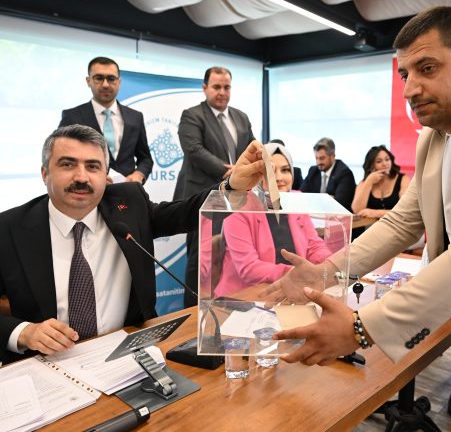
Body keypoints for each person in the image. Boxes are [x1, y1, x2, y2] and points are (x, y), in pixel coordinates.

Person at [267, 6, 451, 432]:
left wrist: (361, 327)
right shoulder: (434, 136)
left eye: (427, 68)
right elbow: (402, 221)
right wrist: (325, 271)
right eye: (405, 74)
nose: (411, 89)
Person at [0, 124, 264, 365]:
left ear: (106, 176)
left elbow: (183, 213)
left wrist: (232, 186)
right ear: (45, 173)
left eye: (93, 167)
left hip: (126, 357)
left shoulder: (129, 204)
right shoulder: (8, 228)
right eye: (68, 165)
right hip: (47, 364)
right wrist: (24, 332)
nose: (81, 177)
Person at [173, 66, 255, 307]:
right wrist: (229, 172)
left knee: (226, 257)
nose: (222, 92)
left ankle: (224, 308)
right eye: (216, 87)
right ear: (204, 87)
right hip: (202, 200)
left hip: (235, 199)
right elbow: (194, 150)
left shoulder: (241, 117)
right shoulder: (192, 115)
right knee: (199, 260)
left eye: (226, 87)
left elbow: (251, 148)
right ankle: (192, 312)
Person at [214, 142, 332, 298]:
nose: (279, 178)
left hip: (291, 290)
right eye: (270, 171)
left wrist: (330, 266)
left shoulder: (296, 200)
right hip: (243, 297)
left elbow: (314, 246)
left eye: (285, 170)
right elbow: (249, 268)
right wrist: (298, 273)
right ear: (256, 175)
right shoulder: (238, 207)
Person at [59, 56, 153, 183]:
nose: (105, 84)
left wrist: (139, 174)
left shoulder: (135, 117)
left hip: (128, 190)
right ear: (88, 81)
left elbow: (146, 159)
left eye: (111, 78)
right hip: (87, 188)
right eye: (99, 78)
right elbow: (62, 159)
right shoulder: (72, 117)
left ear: (119, 82)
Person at [351, 145, 410, 219]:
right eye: (379, 161)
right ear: (371, 166)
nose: (385, 164)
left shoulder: (403, 179)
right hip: (372, 225)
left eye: (387, 159)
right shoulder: (365, 182)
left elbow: (406, 211)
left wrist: (375, 213)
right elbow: (357, 210)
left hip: (397, 224)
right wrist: (369, 182)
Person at [300, 137, 355, 211]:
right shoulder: (313, 171)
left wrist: (313, 199)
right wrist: (328, 199)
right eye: (316, 158)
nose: (318, 162)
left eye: (322, 158)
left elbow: (339, 204)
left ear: (333, 156)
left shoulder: (344, 173)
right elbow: (301, 196)